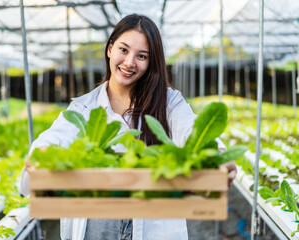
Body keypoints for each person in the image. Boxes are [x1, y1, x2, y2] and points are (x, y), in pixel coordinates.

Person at [20, 13, 237, 240]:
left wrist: (216, 154)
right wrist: (42, 154)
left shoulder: (169, 103)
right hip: (96, 226)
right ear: (110, 49)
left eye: (141, 56)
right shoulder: (84, 108)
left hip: (154, 226)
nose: (130, 62)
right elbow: (56, 137)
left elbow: (192, 129)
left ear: (151, 62)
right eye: (123, 50)